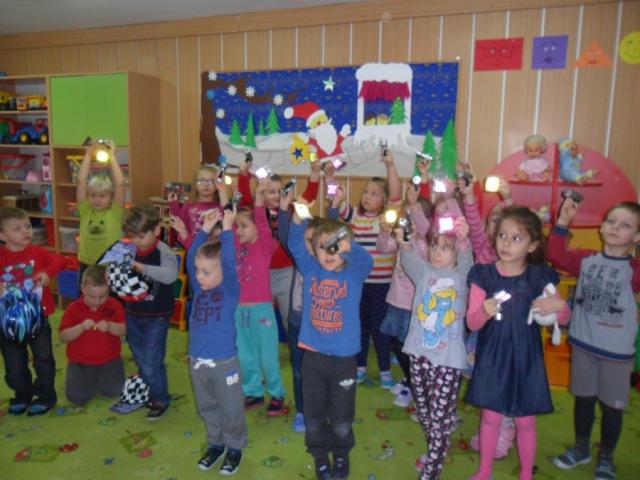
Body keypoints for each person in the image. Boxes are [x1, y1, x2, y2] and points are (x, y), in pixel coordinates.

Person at [465, 206, 570, 480]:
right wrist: (483, 312)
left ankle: (526, 474)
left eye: (516, 238)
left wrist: (559, 306)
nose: (506, 243)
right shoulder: (483, 275)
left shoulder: (539, 276)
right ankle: (484, 470)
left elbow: (564, 315)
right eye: (502, 235)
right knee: (490, 417)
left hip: (526, 357)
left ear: (532, 245)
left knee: (525, 421)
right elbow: (472, 324)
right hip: (493, 356)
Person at [547, 200, 640, 480]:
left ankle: (606, 458)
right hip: (584, 345)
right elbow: (555, 254)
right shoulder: (586, 260)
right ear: (601, 227)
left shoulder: (634, 270)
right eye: (611, 221)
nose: (615, 228)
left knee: (612, 407)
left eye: (626, 225)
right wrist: (563, 221)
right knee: (584, 399)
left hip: (616, 353)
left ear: (637, 236)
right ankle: (581, 448)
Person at [287, 210, 373, 480]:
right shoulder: (311, 269)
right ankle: (320, 454)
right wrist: (297, 219)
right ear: (314, 250)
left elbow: (366, 261)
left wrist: (348, 246)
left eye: (335, 246)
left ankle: (342, 453)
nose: (329, 252)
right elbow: (294, 244)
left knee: (342, 416)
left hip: (343, 360)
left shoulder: (353, 275)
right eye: (322, 246)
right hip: (313, 358)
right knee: (313, 414)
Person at [397, 215, 473, 480]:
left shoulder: (460, 276)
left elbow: (467, 261)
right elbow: (408, 258)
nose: (437, 252)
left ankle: (432, 470)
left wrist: (462, 241)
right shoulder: (424, 272)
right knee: (426, 413)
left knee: (440, 418)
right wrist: (404, 241)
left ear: (455, 252)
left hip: (448, 360)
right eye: (434, 246)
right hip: (418, 354)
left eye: (445, 248)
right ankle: (435, 451)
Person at [328, 149, 401, 388]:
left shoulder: (385, 219)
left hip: (381, 286)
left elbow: (396, 194)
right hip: (358, 284)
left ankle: (385, 370)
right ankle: (359, 367)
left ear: (384, 200)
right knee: (358, 326)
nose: (368, 196)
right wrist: (330, 178)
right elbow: (337, 201)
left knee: (380, 329)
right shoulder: (355, 216)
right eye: (366, 192)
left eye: (374, 193)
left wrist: (390, 166)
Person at [186, 207, 248, 476]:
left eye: (206, 272)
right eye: (198, 271)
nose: (199, 276)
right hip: (197, 361)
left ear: (222, 272)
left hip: (224, 363)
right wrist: (203, 230)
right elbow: (191, 258)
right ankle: (216, 443)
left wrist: (228, 230)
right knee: (207, 406)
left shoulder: (230, 289)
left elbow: (230, 262)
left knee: (231, 408)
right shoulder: (199, 290)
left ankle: (234, 447)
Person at [459, 175, 517, 458]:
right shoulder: (483, 248)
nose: (497, 227)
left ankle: (506, 427)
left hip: (509, 330)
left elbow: (519, 224)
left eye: (503, 223)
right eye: (493, 221)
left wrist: (508, 199)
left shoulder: (516, 256)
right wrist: (469, 195)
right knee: (485, 377)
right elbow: (473, 222)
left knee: (505, 378)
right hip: (483, 326)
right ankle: (490, 426)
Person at [237, 156, 320, 334]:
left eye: (279, 191)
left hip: (287, 271)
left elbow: (309, 196)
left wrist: (314, 173)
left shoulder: (290, 209)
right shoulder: (255, 211)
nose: (276, 195)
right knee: (262, 316)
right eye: (271, 191)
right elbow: (243, 197)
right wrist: (243, 173)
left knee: (288, 316)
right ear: (262, 192)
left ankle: (294, 344)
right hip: (262, 272)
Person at [0, 207, 65, 415]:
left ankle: (45, 397)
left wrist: (46, 273)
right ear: (3, 236)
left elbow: (60, 260)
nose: (26, 231)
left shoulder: (37, 251)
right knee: (14, 362)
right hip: (9, 320)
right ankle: (22, 395)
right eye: (17, 229)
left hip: (38, 317)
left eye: (27, 226)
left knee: (43, 358)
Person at [376, 178, 431, 408]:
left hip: (414, 306)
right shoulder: (402, 239)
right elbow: (383, 248)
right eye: (407, 217)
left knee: (412, 348)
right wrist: (385, 231)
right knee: (396, 343)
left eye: (414, 217)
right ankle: (411, 379)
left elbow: (422, 241)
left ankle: (418, 386)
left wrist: (414, 233)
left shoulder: (425, 245)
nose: (409, 222)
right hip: (396, 301)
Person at [121, 204, 179, 420]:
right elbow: (119, 274)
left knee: (151, 360)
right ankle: (150, 389)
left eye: (141, 236)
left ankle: (160, 398)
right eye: (132, 236)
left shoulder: (163, 251)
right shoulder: (128, 249)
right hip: (132, 312)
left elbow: (171, 275)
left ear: (156, 230)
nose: (136, 241)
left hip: (157, 316)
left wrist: (143, 268)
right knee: (140, 356)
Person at [234, 178, 286, 414]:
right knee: (245, 356)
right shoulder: (236, 246)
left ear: (256, 227)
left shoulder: (265, 245)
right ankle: (253, 392)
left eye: (244, 226)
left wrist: (258, 198)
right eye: (237, 227)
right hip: (240, 311)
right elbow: (228, 228)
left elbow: (263, 223)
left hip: (262, 311)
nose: (239, 231)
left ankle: (276, 393)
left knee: (268, 357)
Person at [59, 265, 126, 406]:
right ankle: (89, 380)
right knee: (77, 398)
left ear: (109, 289)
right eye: (92, 297)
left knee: (115, 392)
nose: (97, 301)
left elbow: (124, 330)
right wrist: (81, 327)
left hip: (109, 360)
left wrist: (110, 326)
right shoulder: (73, 308)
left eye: (103, 296)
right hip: (80, 363)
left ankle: (99, 379)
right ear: (83, 289)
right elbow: (63, 336)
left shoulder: (114, 305)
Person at [76, 140, 126, 287]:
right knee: (87, 298)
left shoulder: (115, 211)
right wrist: (88, 155)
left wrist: (112, 155)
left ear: (111, 196)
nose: (97, 200)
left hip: (110, 265)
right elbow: (81, 182)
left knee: (110, 298)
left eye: (102, 196)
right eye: (93, 195)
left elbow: (120, 184)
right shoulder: (85, 210)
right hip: (87, 264)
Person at [168, 164, 228, 249]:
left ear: (216, 184)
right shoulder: (188, 206)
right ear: (195, 184)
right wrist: (173, 204)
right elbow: (180, 226)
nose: (206, 184)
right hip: (193, 249)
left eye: (211, 181)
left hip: (215, 251)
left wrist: (222, 189)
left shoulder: (220, 205)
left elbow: (228, 219)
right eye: (201, 180)